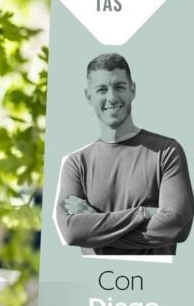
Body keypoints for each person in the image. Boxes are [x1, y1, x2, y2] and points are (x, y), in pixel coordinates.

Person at [56, 53, 194, 255]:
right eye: (101, 89)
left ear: (133, 90)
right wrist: (143, 213)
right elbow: (72, 233)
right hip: (95, 281)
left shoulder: (166, 151)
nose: (111, 97)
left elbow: (177, 227)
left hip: (155, 282)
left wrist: (95, 227)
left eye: (119, 87)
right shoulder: (76, 163)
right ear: (88, 96)